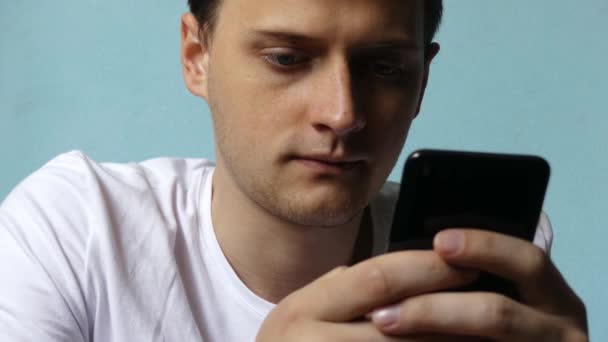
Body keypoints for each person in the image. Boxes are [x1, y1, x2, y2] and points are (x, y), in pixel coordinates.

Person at [0, 0, 588, 341]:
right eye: (286, 58)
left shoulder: (478, 261)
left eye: (383, 67)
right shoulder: (74, 232)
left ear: (423, 80)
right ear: (196, 57)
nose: (342, 113)